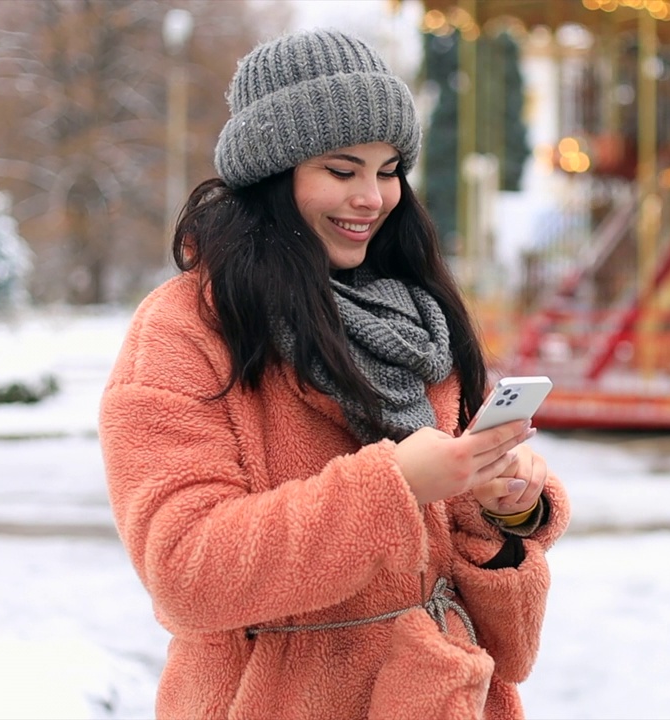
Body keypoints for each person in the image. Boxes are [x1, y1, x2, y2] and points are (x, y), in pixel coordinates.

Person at [99, 28, 569, 720]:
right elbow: (186, 571)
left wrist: (504, 501)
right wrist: (396, 487)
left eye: (388, 172)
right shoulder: (184, 328)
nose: (372, 199)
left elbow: (505, 633)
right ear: (271, 174)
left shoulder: (417, 318)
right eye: (342, 171)